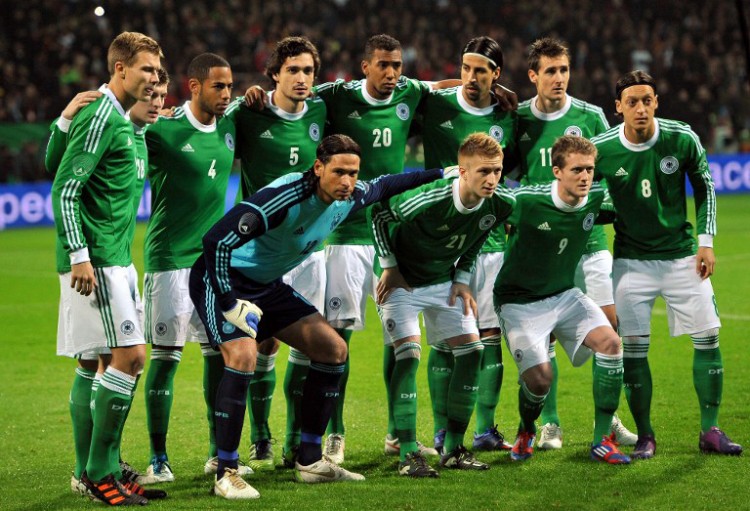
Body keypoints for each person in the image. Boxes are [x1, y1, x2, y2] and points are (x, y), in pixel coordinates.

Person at [189, 134, 444, 499]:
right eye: (339, 171)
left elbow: (387, 184)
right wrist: (229, 302)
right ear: (318, 167)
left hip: (266, 285)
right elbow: (216, 241)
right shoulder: (285, 196)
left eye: (353, 173)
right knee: (244, 356)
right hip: (222, 279)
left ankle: (309, 460)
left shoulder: (351, 196)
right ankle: (226, 471)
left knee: (333, 349)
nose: (347, 181)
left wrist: (440, 172)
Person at [592, 70, 742, 458]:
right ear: (618, 108)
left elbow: (705, 184)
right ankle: (646, 435)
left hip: (681, 258)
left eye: (647, 100)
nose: (640, 108)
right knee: (635, 351)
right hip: (631, 263)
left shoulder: (681, 137)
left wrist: (705, 243)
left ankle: (711, 430)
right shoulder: (601, 148)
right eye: (632, 102)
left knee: (708, 338)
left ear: (656, 101)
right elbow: (590, 200)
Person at [50, 31, 167, 505]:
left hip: (114, 258)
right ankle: (101, 470)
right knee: (132, 357)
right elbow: (64, 189)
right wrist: (79, 255)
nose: (154, 81)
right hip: (96, 261)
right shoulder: (102, 114)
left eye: (158, 74)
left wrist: (60, 123)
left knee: (95, 362)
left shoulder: (125, 124)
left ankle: (94, 469)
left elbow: (57, 165)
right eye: (146, 71)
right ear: (120, 68)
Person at [515, 37, 635, 449]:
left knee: (607, 327)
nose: (559, 78)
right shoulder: (518, 120)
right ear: (534, 76)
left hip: (589, 240)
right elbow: (509, 173)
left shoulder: (591, 115)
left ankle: (609, 417)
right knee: (545, 331)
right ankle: (550, 422)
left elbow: (611, 168)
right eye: (550, 71)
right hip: (541, 244)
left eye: (564, 70)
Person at [372, 132, 514, 477]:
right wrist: (389, 265)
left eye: (497, 171)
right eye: (483, 171)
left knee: (473, 351)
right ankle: (408, 452)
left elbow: (477, 237)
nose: (492, 179)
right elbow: (378, 215)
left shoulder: (501, 203)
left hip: (443, 282)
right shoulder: (429, 197)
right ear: (462, 172)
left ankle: (452, 448)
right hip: (402, 281)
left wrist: (463, 278)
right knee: (408, 355)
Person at [137, 53, 244, 484]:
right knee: (165, 360)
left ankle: (219, 453)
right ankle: (157, 458)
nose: (226, 95)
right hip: (168, 263)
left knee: (218, 356)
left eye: (231, 87)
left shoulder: (233, 123)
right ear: (195, 86)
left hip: (212, 266)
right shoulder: (163, 129)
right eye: (218, 87)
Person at [495, 135, 630, 465]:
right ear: (557, 171)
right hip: (518, 302)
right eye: (577, 170)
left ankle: (602, 440)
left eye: (589, 169)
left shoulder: (597, 196)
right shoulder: (525, 200)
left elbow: (626, 205)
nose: (585, 176)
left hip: (564, 294)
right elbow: (481, 220)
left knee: (611, 344)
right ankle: (527, 429)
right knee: (540, 381)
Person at [232, 36, 327, 471]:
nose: (302, 78)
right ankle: (260, 436)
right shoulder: (249, 113)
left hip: (308, 250)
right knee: (261, 342)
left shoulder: (324, 108)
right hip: (259, 253)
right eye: (293, 70)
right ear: (274, 74)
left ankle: (294, 443)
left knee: (309, 346)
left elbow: (400, 85)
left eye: (308, 71)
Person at [419, 35, 516, 454]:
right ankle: (442, 429)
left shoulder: (509, 116)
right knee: (445, 342)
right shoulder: (436, 104)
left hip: (489, 241)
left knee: (490, 335)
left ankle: (485, 427)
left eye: (482, 70)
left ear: (497, 75)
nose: (471, 78)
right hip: (440, 241)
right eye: (465, 68)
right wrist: (443, 84)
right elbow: (406, 88)